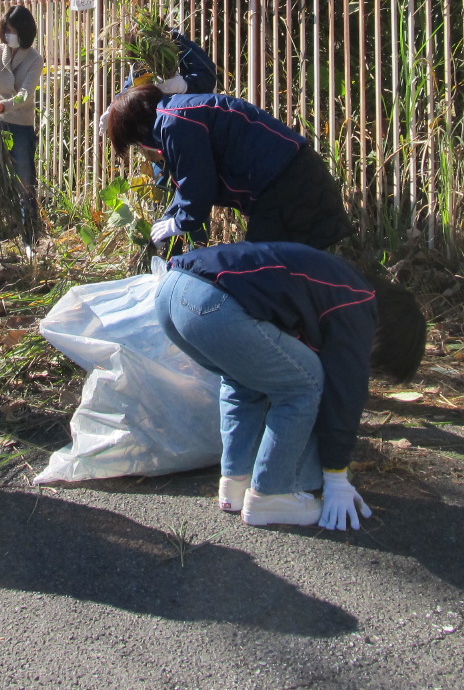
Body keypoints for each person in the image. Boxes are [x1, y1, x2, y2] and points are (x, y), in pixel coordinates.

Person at [155, 240, 426, 528]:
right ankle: (271, 495)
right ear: (385, 332)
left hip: (170, 292)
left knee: (245, 382)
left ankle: (235, 484)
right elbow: (345, 393)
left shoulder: (335, 282)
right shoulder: (358, 300)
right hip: (211, 303)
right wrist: (336, 475)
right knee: (303, 384)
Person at [105, 83, 353, 251]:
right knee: (291, 272)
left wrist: (180, 222)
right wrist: (170, 219)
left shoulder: (175, 122)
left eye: (136, 143)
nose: (143, 148)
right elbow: (187, 184)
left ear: (138, 130)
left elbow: (198, 182)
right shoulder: (177, 112)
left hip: (288, 187)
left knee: (265, 274)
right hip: (292, 180)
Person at [0, 4, 44, 247]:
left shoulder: (34, 58)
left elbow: (25, 94)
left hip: (20, 125)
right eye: (6, 30)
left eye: (13, 31)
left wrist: (3, 105)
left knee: (25, 184)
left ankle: (30, 241)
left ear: (24, 32)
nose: (8, 35)